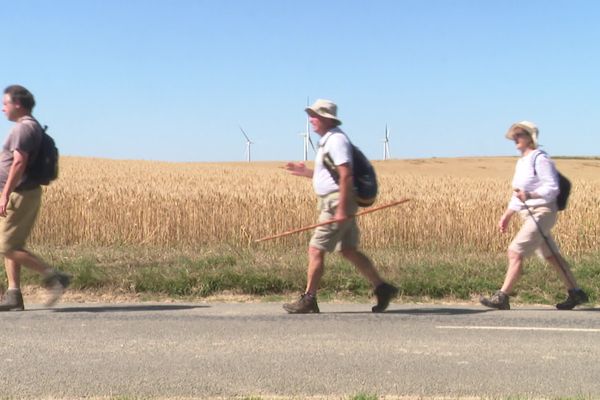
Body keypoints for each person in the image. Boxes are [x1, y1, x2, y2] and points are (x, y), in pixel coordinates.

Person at [283, 99, 398, 314]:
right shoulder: (328, 141)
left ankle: (309, 298)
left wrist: (342, 209)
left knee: (315, 249)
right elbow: (331, 175)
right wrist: (306, 172)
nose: (311, 120)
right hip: (339, 201)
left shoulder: (336, 140)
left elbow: (346, 175)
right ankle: (382, 287)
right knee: (348, 250)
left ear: (327, 119)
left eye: (315, 116)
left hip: (337, 202)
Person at [480, 121, 588, 310]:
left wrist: (530, 195)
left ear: (531, 138)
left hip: (542, 212)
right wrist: (507, 215)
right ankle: (575, 292)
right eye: (514, 135)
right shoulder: (522, 162)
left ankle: (502, 296)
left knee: (515, 251)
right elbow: (518, 193)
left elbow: (552, 187)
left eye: (520, 134)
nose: (515, 138)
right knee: (551, 256)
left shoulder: (540, 159)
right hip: (528, 214)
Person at [0, 84, 70, 311]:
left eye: (5, 104)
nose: (3, 109)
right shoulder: (29, 127)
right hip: (19, 193)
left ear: (17, 104)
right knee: (11, 244)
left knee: (5, 246)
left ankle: (54, 276)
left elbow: (19, 162)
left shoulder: (23, 129)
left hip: (19, 194)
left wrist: (5, 193)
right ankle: (14, 295)